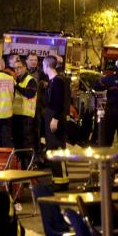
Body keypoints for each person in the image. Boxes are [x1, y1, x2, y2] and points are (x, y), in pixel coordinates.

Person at [43, 56, 69, 190]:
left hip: (55, 118)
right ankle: (57, 179)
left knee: (57, 148)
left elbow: (60, 102)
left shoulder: (58, 81)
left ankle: (63, 181)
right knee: (52, 149)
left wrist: (55, 119)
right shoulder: (53, 81)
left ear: (47, 65)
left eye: (43, 65)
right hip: (52, 116)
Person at [12, 60, 37, 167]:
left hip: (26, 117)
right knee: (18, 143)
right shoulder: (17, 81)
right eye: (15, 68)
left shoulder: (30, 80)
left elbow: (29, 93)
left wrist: (16, 86)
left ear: (25, 67)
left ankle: (29, 166)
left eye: (19, 68)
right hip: (16, 117)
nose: (16, 70)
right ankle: (21, 166)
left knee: (27, 143)